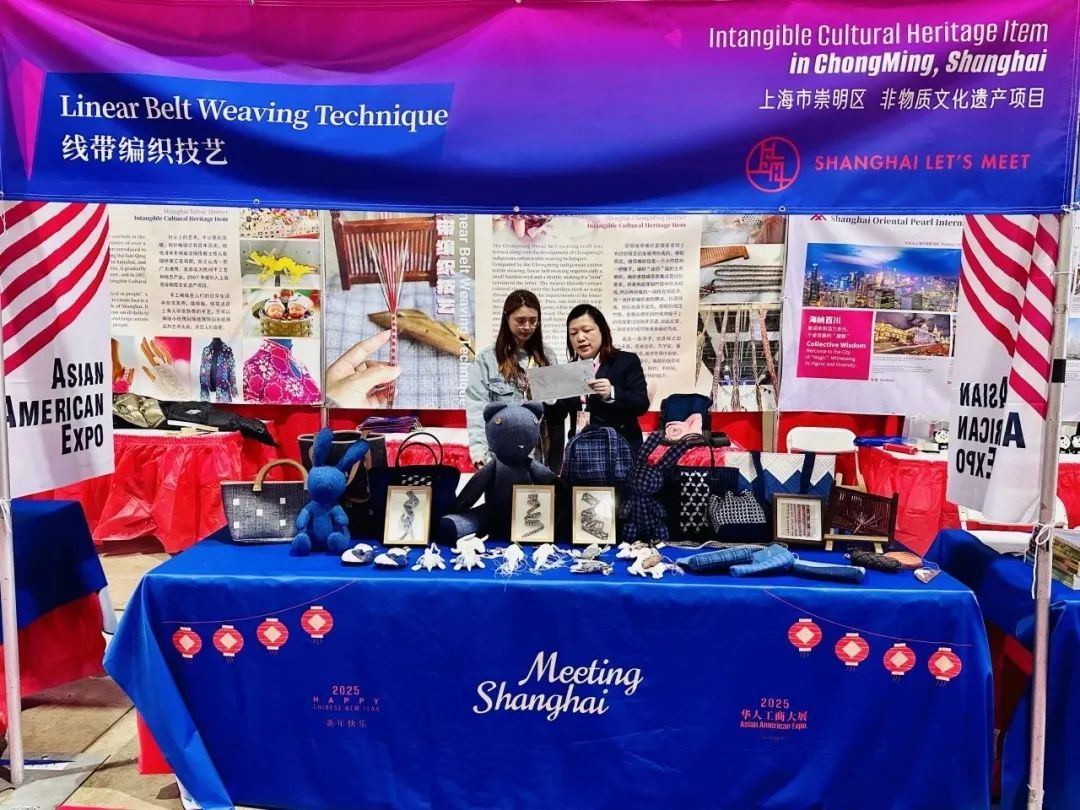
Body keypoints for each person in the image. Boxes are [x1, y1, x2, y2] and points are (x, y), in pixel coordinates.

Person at [465, 290, 563, 469]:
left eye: (533, 321)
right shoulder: (487, 359)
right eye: (520, 320)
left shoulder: (547, 356)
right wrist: (479, 453)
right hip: (498, 456)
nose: (527, 326)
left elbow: (554, 412)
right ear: (506, 318)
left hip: (537, 457)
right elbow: (476, 407)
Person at [558, 304, 649, 452]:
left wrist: (612, 393)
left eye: (587, 330)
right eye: (573, 333)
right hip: (580, 451)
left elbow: (641, 404)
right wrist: (550, 397)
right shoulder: (568, 371)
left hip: (619, 450)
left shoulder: (626, 361)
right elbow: (557, 416)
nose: (580, 338)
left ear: (602, 330)